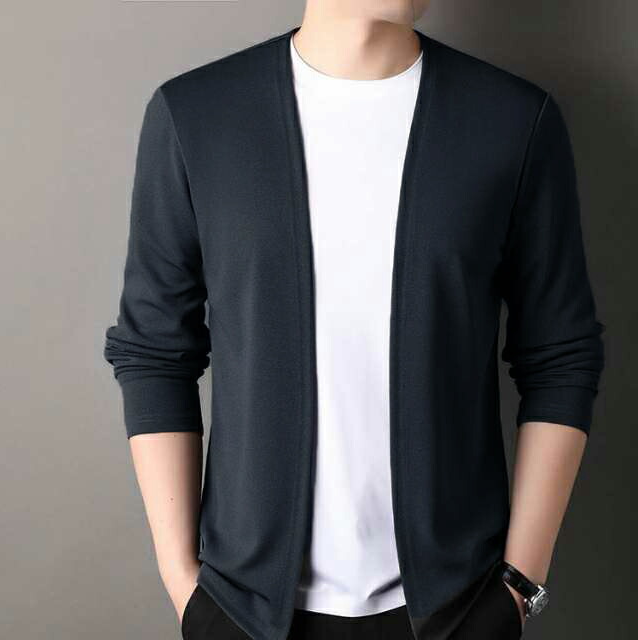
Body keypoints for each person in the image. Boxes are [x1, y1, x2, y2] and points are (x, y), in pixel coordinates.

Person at [103, 1, 605, 639]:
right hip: (246, 613)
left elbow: (561, 357)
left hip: (457, 610)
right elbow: (154, 353)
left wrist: (517, 587)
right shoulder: (198, 115)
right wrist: (186, 588)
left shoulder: (511, 119)